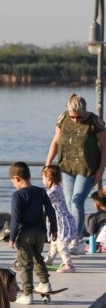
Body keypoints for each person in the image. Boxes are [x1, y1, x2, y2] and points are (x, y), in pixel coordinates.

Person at [45, 93, 106, 253]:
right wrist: (48, 163)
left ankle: (76, 239)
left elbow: (105, 147)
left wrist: (100, 170)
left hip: (87, 168)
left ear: (84, 110)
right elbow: (55, 141)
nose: (76, 120)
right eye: (73, 117)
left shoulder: (94, 121)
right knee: (67, 203)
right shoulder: (63, 119)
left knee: (76, 201)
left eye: (79, 117)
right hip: (66, 167)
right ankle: (69, 235)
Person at [9, 162, 56, 304]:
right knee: (38, 258)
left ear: (17, 178)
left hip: (25, 234)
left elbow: (15, 218)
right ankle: (45, 283)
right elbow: (50, 211)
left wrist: (12, 237)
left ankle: (27, 294)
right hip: (40, 233)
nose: (13, 184)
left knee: (25, 264)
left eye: (12, 181)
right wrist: (53, 228)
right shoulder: (41, 192)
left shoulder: (17, 195)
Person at [41, 165, 77, 272]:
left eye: (43, 177)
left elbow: (44, 197)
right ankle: (48, 261)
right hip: (58, 220)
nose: (42, 180)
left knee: (61, 244)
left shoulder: (54, 191)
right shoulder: (56, 188)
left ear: (49, 178)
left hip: (62, 221)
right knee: (54, 243)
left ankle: (69, 265)